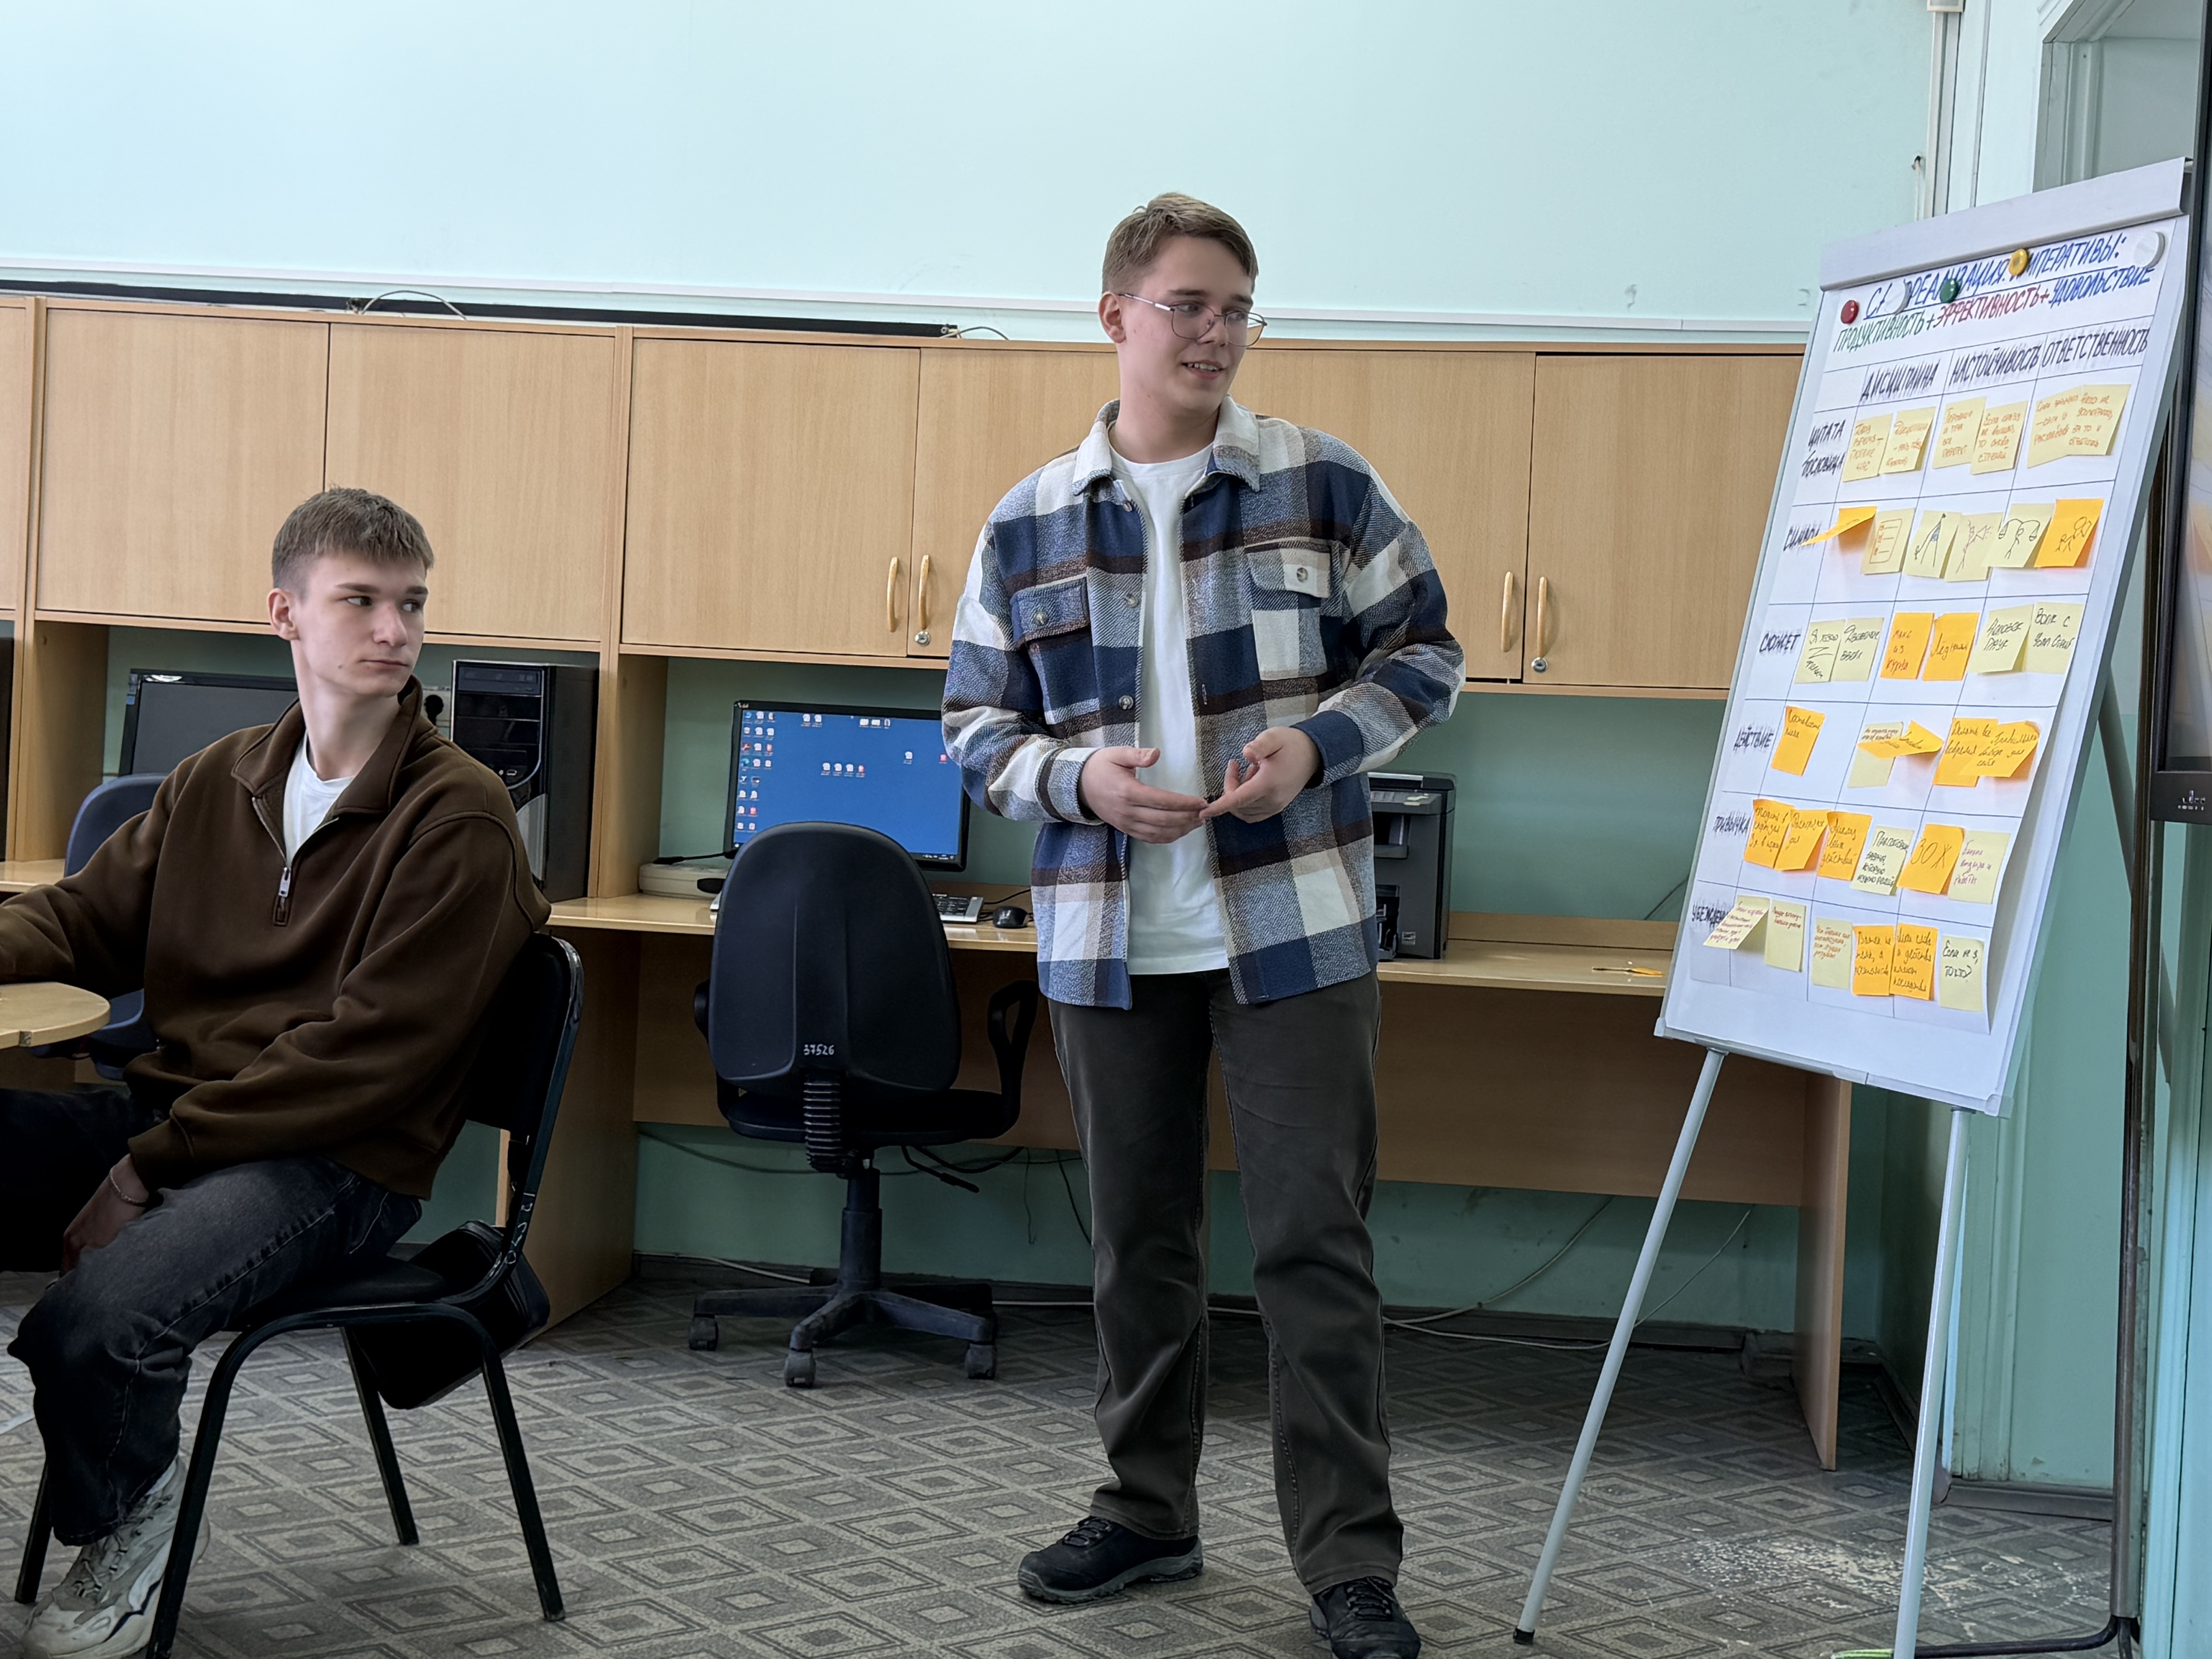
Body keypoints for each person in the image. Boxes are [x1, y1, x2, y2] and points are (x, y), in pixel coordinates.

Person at [943, 194, 1463, 1659]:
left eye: (1237, 307)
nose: (1217, 332)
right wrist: (1079, 781)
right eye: (1189, 305)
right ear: (1117, 316)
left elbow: (1428, 652)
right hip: (1109, 933)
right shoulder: (1030, 518)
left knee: (1315, 1246)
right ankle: (1146, 1508)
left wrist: (1319, 743)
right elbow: (973, 724)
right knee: (1136, 1244)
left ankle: (1349, 1562)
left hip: (1293, 924)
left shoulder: (1322, 481)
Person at [1, 488, 550, 1659]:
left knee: (98, 1326)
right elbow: (81, 921)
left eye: (412, 604)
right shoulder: (221, 778)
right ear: (285, 614)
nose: (396, 631)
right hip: (185, 1120)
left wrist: (145, 1170)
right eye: (361, 600)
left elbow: (367, 1060)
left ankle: (130, 1523)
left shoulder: (459, 817)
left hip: (335, 1162)